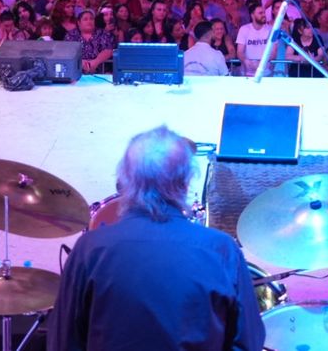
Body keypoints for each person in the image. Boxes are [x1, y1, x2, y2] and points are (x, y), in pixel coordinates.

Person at [49, 125, 264, 351]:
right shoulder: (221, 249)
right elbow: (248, 343)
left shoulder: (90, 248)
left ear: (125, 179)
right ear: (186, 181)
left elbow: (63, 342)